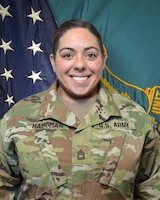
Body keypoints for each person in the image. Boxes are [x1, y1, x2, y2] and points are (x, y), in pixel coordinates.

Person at [0, 19, 160, 200]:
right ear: (53, 62)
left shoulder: (137, 120)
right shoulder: (17, 118)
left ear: (103, 60)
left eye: (90, 55)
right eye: (67, 55)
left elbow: (153, 192)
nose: (80, 64)